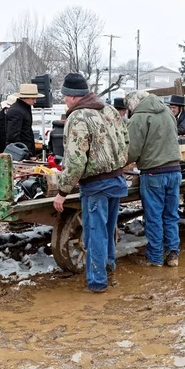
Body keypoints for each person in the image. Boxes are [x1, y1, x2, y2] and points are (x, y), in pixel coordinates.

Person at [53, 73, 129, 293]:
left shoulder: (77, 118)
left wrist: (62, 191)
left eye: (65, 96)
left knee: (95, 233)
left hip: (96, 185)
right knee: (107, 228)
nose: (65, 100)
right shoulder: (110, 110)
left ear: (73, 96)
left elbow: (76, 161)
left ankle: (97, 282)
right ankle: (108, 268)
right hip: (116, 180)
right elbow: (126, 140)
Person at [124, 91, 182, 267]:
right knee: (171, 215)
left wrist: (120, 163)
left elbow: (132, 150)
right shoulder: (167, 112)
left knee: (154, 217)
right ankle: (173, 254)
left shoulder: (138, 118)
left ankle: (155, 258)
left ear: (133, 104)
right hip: (175, 170)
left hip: (153, 172)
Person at [6, 83, 44, 156]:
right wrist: (24, 154)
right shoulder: (16, 111)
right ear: (25, 97)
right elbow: (13, 137)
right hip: (20, 153)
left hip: (25, 151)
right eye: (33, 98)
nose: (35, 101)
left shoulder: (23, 108)